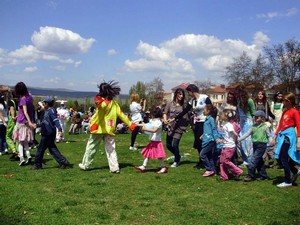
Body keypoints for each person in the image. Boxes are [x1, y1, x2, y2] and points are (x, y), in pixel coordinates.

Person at [78, 81, 136, 174]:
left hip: (98, 128)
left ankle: (86, 165)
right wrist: (130, 124)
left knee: (91, 147)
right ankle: (114, 168)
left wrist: (98, 100)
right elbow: (121, 114)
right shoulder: (114, 103)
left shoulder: (101, 101)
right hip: (109, 129)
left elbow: (100, 105)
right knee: (111, 149)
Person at [173, 84, 212, 169]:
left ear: (192, 91)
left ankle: (204, 161)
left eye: (188, 92)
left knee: (202, 142)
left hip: (204, 122)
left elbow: (211, 108)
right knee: (197, 143)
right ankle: (201, 160)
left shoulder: (204, 97)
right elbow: (185, 110)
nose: (188, 94)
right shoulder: (192, 101)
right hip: (196, 123)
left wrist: (213, 120)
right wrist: (175, 118)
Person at [270, 92, 300, 188]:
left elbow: (299, 126)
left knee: (283, 158)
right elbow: (280, 126)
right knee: (280, 157)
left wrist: (299, 140)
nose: (283, 102)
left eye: (285, 100)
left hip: (289, 136)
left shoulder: (294, 112)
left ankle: (287, 181)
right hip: (282, 136)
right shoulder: (284, 112)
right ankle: (295, 171)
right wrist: (274, 137)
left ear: (290, 101)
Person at [32, 97, 70, 170]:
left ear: (47, 104)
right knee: (52, 149)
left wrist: (60, 129)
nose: (43, 104)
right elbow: (45, 122)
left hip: (48, 133)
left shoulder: (51, 111)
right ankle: (63, 162)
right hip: (47, 132)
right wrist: (37, 125)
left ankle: (37, 165)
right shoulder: (47, 111)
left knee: (40, 149)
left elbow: (55, 120)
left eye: (44, 103)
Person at [239, 110, 272, 182]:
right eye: (255, 117)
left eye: (257, 117)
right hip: (255, 145)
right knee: (259, 161)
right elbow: (247, 134)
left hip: (262, 145)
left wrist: (271, 142)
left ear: (262, 118)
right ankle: (263, 175)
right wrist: (238, 139)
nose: (255, 118)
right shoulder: (253, 126)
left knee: (253, 160)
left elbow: (269, 135)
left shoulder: (265, 127)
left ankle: (250, 175)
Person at [135, 107, 168, 174]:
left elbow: (154, 130)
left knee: (159, 156)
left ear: (155, 114)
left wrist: (144, 129)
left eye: (151, 113)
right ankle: (143, 166)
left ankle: (163, 167)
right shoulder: (153, 120)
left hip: (157, 142)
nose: (150, 115)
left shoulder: (158, 122)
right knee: (147, 154)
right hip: (153, 141)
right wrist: (137, 124)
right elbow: (147, 125)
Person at [163, 88, 188, 167]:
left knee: (175, 145)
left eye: (182, 94)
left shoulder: (184, 105)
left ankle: (176, 161)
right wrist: (164, 120)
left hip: (179, 128)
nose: (181, 96)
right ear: (176, 94)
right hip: (171, 127)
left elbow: (187, 116)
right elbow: (165, 113)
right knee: (168, 145)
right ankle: (178, 156)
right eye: (180, 94)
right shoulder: (170, 104)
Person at [12, 82, 35, 166]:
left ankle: (21, 158)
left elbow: (25, 112)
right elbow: (30, 109)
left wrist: (28, 121)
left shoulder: (23, 99)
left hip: (21, 122)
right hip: (27, 122)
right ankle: (28, 156)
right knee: (25, 141)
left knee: (20, 142)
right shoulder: (30, 96)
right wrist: (31, 121)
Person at [218, 109, 243, 181]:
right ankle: (224, 176)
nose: (221, 115)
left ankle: (238, 171)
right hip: (225, 145)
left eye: (222, 114)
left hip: (229, 146)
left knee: (226, 161)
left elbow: (234, 133)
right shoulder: (225, 124)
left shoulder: (229, 125)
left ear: (226, 116)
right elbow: (227, 136)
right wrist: (222, 140)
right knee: (222, 162)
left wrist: (235, 139)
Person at [235, 84, 256, 167]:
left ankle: (250, 160)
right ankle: (244, 159)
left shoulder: (250, 101)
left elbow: (253, 113)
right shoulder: (239, 101)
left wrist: (254, 124)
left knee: (247, 142)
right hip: (241, 123)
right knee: (240, 142)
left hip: (248, 122)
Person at [200, 104, 220, 177]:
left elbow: (214, 129)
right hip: (206, 140)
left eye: (204, 109)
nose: (203, 111)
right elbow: (208, 130)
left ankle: (209, 169)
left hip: (210, 141)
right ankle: (214, 171)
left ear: (208, 111)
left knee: (202, 154)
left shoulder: (211, 119)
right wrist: (203, 135)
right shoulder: (207, 119)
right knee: (209, 157)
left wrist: (216, 138)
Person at [6, 90, 19, 159]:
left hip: (12, 121)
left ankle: (14, 150)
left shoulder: (11, 102)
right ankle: (18, 152)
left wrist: (14, 117)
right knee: (17, 137)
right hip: (19, 121)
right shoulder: (20, 102)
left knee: (8, 136)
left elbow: (12, 109)